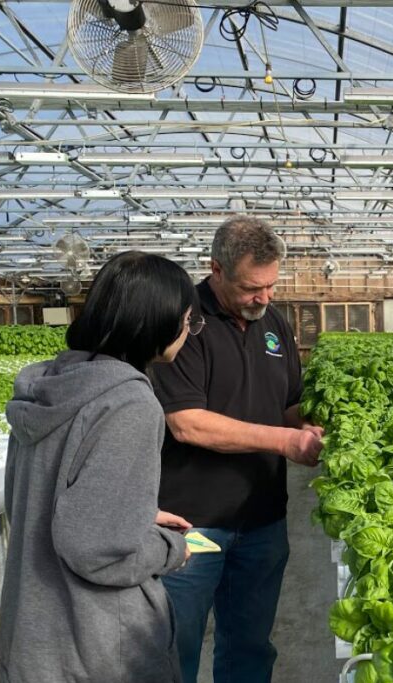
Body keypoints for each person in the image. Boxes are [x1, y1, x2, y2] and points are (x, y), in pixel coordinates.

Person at [0, 251, 203, 683]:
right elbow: (98, 552)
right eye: (187, 320)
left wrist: (134, 514)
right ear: (157, 321)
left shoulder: (47, 388)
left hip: (34, 640)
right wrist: (170, 548)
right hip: (100, 649)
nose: (189, 331)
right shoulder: (129, 402)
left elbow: (33, 505)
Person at [151, 216, 324, 683]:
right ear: (217, 269)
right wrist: (288, 442)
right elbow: (187, 423)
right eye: (252, 288)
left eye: (270, 286)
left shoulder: (275, 323)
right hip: (192, 524)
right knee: (175, 646)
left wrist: (316, 429)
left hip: (262, 520)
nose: (264, 298)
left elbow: (287, 404)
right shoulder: (181, 320)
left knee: (250, 646)